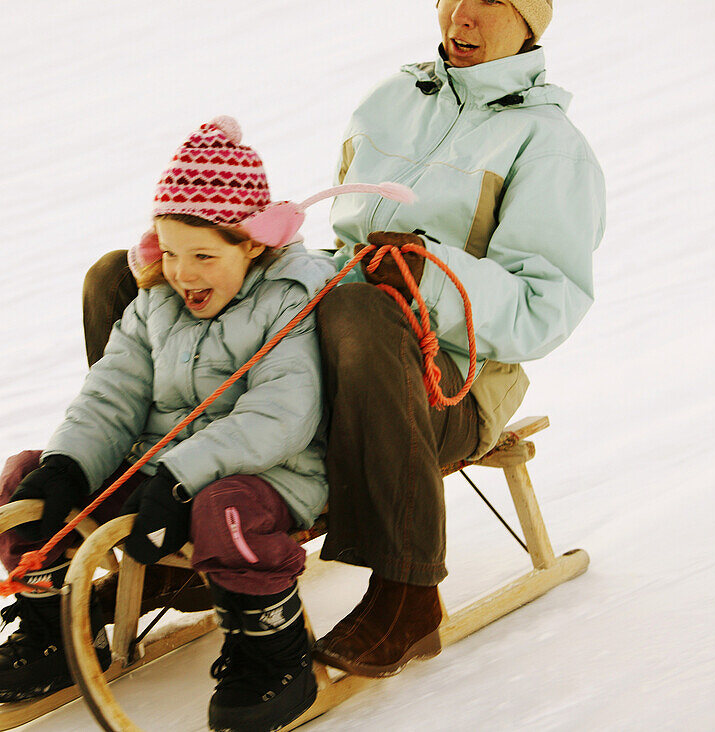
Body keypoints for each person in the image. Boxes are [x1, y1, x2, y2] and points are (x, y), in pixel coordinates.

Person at [39, 0, 604, 694]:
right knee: (124, 279)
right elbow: (342, 240)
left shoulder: (548, 145)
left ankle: (407, 588)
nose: (462, 13)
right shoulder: (393, 99)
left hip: (449, 382)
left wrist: (432, 277)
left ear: (530, 20)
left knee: (360, 310)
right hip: (342, 332)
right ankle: (166, 527)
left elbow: (546, 308)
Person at [0, 116, 409, 732]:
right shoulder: (156, 303)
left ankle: (270, 655)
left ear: (252, 244)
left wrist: (182, 475)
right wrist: (67, 465)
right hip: (162, 469)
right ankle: (52, 626)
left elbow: (281, 417)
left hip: (271, 473)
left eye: (204, 255)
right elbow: (112, 394)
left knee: (222, 511)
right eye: (171, 253)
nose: (184, 273)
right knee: (30, 477)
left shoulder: (291, 298)